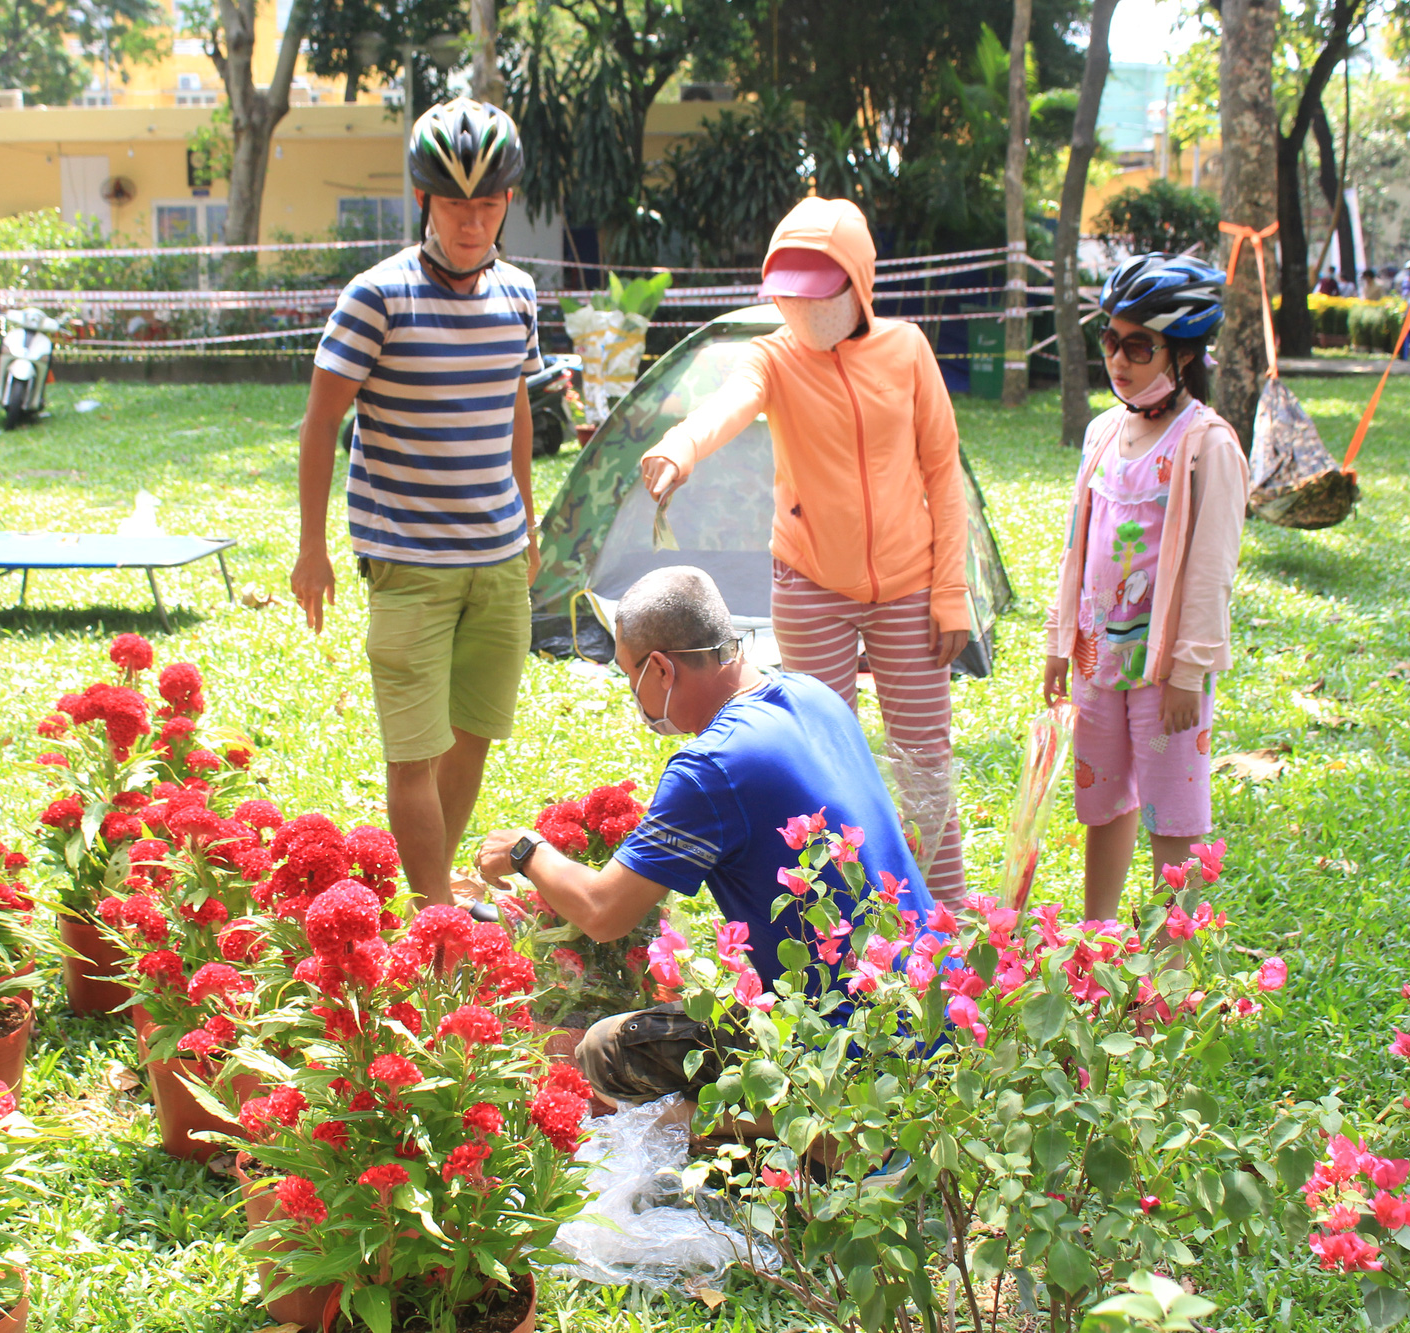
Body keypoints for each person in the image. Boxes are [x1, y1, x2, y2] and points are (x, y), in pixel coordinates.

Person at [476, 566, 934, 1107]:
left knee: (605, 1050)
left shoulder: (711, 767)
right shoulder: (814, 695)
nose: (633, 696)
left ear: (662, 669)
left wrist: (528, 852)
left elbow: (604, 912)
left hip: (850, 1056)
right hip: (933, 1008)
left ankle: (825, 1146)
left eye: (630, 677)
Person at [634, 197, 971, 903]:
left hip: (910, 586)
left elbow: (943, 470)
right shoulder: (774, 356)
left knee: (925, 766)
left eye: (821, 294)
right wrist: (679, 447)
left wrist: (950, 594)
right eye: (790, 296)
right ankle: (840, 922)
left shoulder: (907, 349)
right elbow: (726, 404)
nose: (806, 311)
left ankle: (948, 922)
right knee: (818, 762)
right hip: (812, 585)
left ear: (859, 284)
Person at [292, 98, 540, 905]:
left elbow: (515, 407)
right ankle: (436, 922)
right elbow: (323, 419)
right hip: (409, 563)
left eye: (487, 202)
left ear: (508, 201)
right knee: (412, 751)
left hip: (497, 560)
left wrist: (528, 522)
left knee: (472, 737)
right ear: (425, 201)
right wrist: (312, 547)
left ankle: (441, 888)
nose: (472, 221)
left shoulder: (519, 297)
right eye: (454, 202)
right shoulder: (376, 296)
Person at [1040, 254, 1246, 926]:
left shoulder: (1206, 444)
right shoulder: (1104, 433)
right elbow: (1078, 543)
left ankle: (1173, 960)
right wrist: (1058, 640)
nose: (1119, 360)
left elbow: (1213, 566)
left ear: (1183, 354)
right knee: (1103, 802)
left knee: (1171, 813)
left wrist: (1190, 670)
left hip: (1164, 675)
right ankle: (1097, 937)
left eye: (1138, 345)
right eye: (1111, 341)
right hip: (1099, 662)